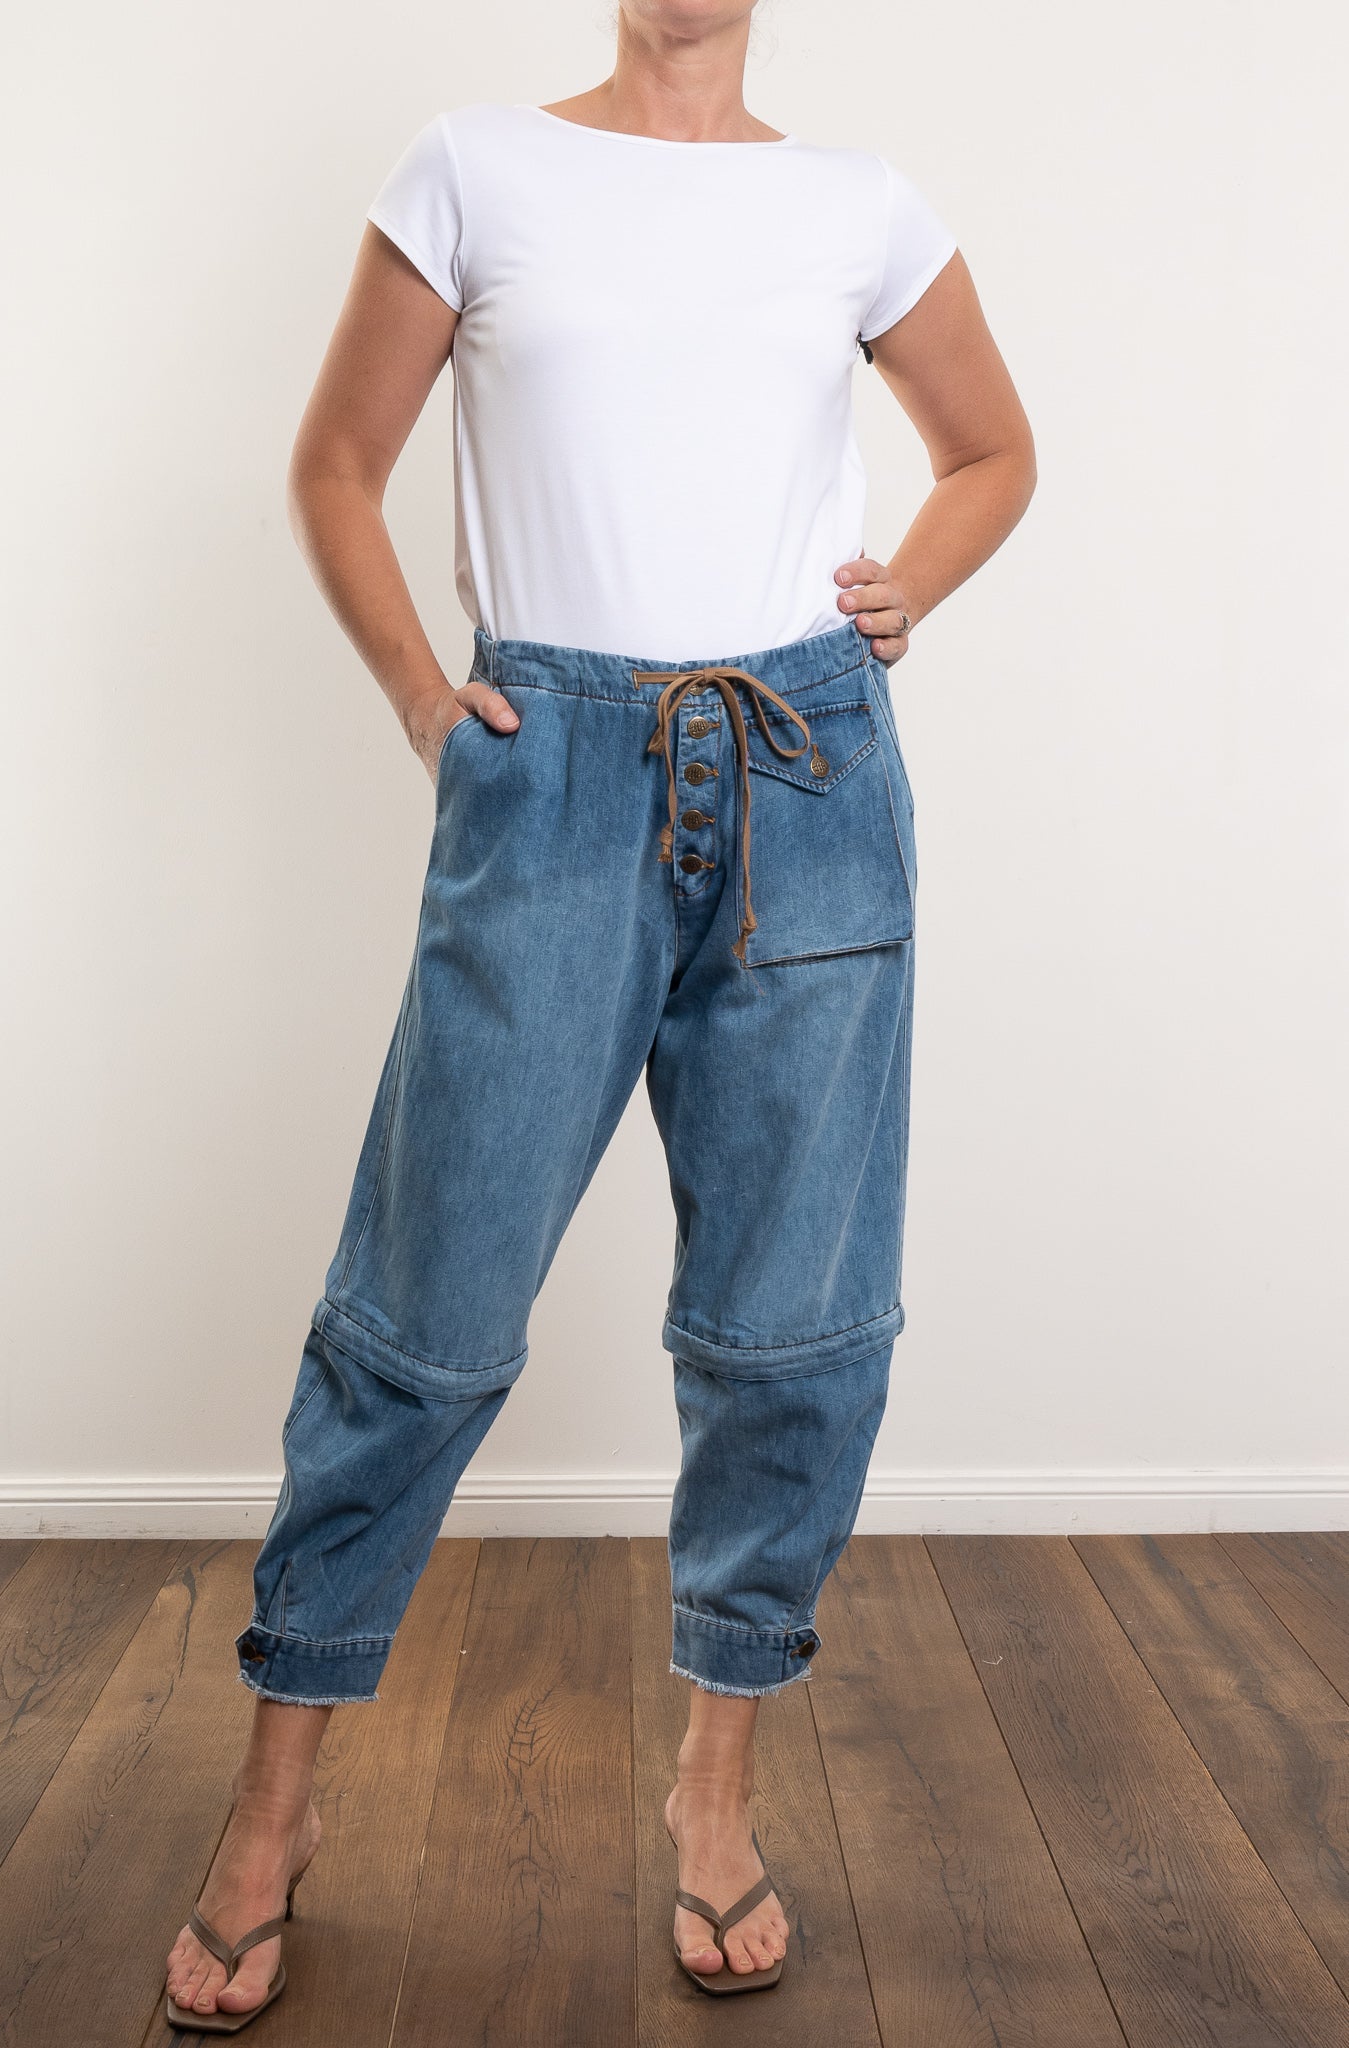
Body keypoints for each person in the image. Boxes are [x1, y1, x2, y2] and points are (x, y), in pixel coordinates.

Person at [164, 1, 1035, 2026]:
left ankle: (714, 1787)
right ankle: (273, 1806)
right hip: (545, 770)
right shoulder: (474, 166)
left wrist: (909, 582)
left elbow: (992, 450)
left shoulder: (857, 206)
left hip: (805, 779)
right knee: (424, 1311)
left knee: (795, 1327)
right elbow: (335, 464)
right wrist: (421, 699)